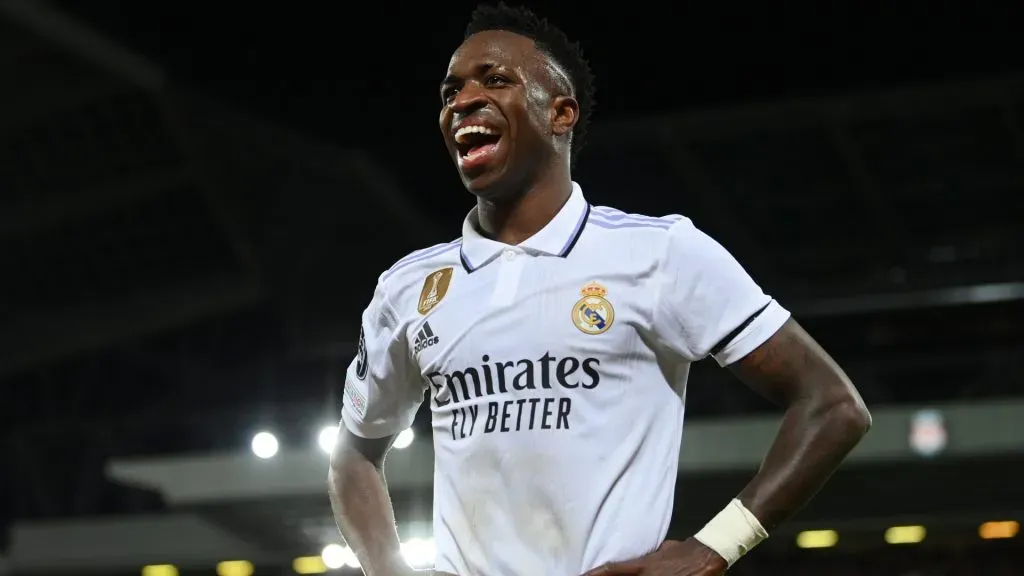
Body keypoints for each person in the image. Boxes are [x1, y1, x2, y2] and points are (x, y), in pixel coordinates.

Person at [328, 3, 871, 575]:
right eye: (449, 91)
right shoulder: (409, 287)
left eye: (494, 80)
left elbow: (832, 405)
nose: (462, 101)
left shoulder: (661, 252)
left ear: (561, 113)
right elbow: (354, 453)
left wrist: (713, 548)